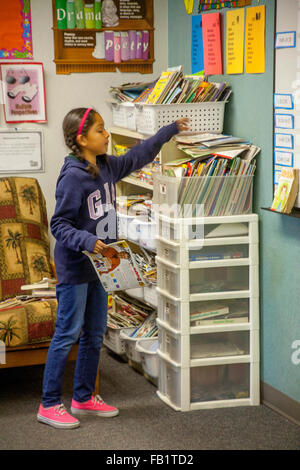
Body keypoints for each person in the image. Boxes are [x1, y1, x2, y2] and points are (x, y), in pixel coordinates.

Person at [37, 106, 189, 429]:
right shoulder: (72, 177)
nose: (107, 135)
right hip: (76, 268)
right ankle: (49, 403)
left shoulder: (106, 167)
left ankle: (83, 397)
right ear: (81, 139)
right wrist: (88, 242)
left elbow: (138, 156)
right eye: (100, 130)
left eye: (106, 129)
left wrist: (168, 131)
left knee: (94, 334)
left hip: (101, 269)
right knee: (67, 333)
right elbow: (59, 225)